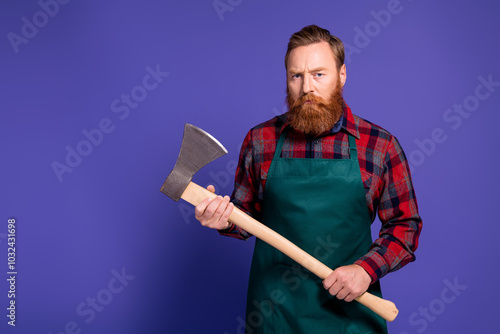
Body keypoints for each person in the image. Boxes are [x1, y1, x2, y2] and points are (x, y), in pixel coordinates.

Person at [194, 25, 422, 333]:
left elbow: (405, 226)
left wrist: (366, 270)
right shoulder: (261, 140)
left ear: (342, 75)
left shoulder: (379, 145)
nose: (306, 88)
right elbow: (245, 215)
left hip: (351, 318)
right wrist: (222, 218)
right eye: (296, 76)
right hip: (274, 316)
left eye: (318, 74)